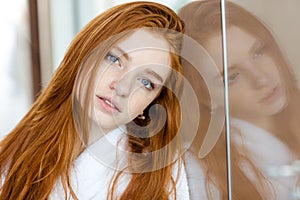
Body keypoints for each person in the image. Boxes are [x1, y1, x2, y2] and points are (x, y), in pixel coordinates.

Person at [0, 2, 190, 199]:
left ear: (152, 102)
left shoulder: (162, 180)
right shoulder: (16, 153)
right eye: (115, 59)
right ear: (83, 53)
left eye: (145, 82)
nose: (123, 88)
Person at [179, 0, 300, 199]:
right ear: (205, 97)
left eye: (258, 52)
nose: (261, 78)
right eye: (232, 77)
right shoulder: (197, 173)